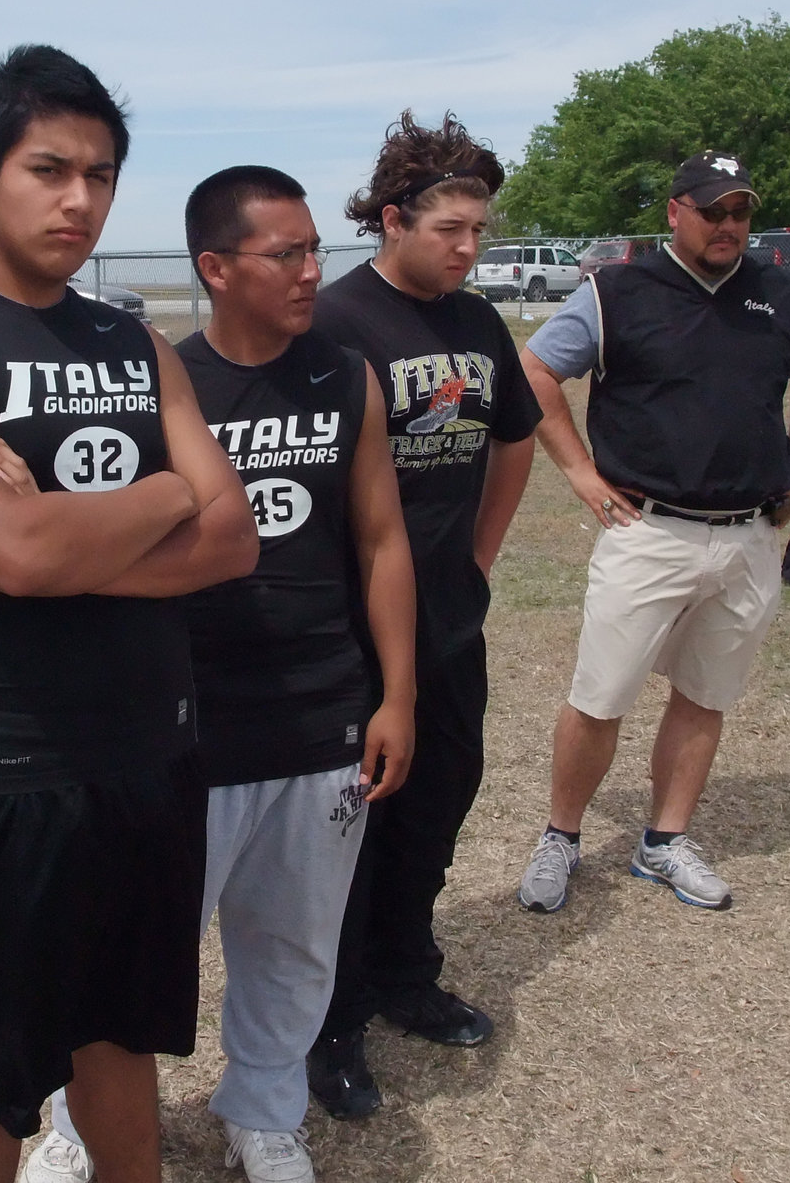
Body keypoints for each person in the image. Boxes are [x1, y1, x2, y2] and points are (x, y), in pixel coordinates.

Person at [0, 45, 257, 1183]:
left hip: (153, 759)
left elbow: (232, 538)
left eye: (100, 175)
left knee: (120, 1042)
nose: (78, 199)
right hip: (13, 779)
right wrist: (169, 491)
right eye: (47, 169)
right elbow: (13, 554)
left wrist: (90, 522)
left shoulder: (130, 341)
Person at [14, 166, 416, 1183]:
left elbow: (379, 542)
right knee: (124, 956)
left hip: (319, 714)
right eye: (286, 253)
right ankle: (72, 1126)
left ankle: (265, 1112)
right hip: (176, 727)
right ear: (215, 268)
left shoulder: (344, 375)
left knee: (291, 948)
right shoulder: (161, 385)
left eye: (313, 248)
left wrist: (397, 694)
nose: (311, 271)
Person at [306, 111, 543, 1119]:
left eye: (479, 231)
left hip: (449, 626)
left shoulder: (478, 323)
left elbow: (514, 437)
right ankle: (330, 1021)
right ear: (392, 220)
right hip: (347, 639)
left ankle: (407, 976)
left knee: (438, 807)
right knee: (346, 832)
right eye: (450, 229)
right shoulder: (336, 324)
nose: (468, 248)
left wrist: (479, 557)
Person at [517, 149, 790, 916]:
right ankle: (562, 835)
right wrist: (582, 473)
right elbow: (537, 373)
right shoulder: (615, 291)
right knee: (601, 695)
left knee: (705, 693)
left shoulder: (785, 293)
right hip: (648, 528)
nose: (727, 225)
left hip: (749, 535)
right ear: (674, 212)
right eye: (711, 209)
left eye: (740, 211)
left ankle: (663, 841)